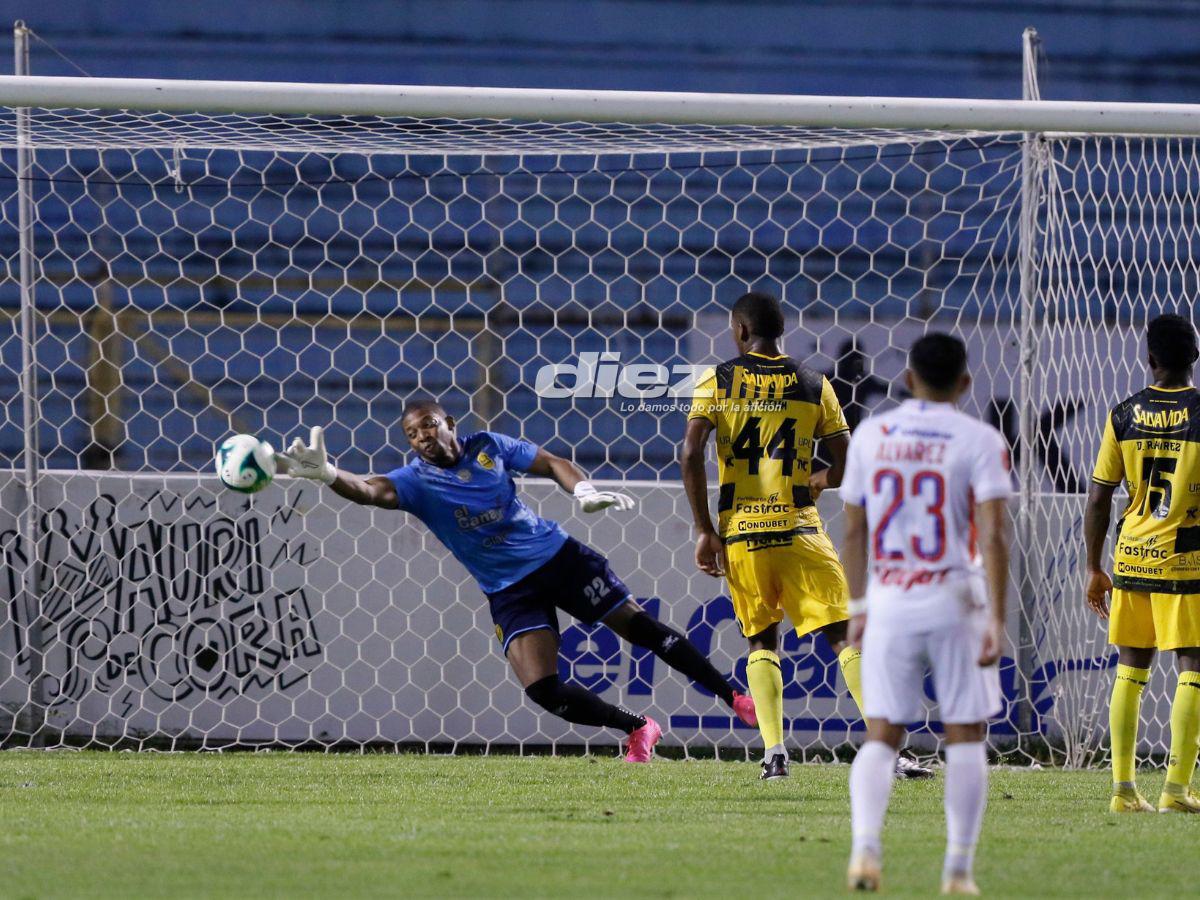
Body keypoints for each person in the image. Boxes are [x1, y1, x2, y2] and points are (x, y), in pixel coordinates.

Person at [274, 402, 757, 763]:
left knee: (643, 630)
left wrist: (583, 490)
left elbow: (551, 463)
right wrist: (331, 474)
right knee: (544, 690)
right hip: (508, 589)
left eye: (428, 425)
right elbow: (369, 490)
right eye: (412, 434)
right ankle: (638, 728)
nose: (422, 437)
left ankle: (735, 697)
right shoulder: (416, 481)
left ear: (449, 424)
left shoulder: (489, 446)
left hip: (559, 559)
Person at [681, 291, 931, 781]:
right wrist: (819, 479)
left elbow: (691, 452)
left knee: (760, 641)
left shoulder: (717, 379)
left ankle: (774, 755)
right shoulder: (815, 383)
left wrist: (705, 530)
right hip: (800, 530)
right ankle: (888, 753)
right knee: (844, 637)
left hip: (744, 534)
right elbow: (846, 462)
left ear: (740, 331)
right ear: (781, 332)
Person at [841, 332, 1011, 895]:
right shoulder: (980, 439)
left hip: (890, 600)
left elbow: (855, 531)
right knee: (965, 735)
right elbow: (993, 532)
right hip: (956, 598)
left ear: (907, 378)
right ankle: (958, 869)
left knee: (882, 732)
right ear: (965, 383)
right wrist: (997, 619)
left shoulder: (872, 435)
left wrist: (858, 606)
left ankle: (865, 849)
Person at [1084, 313, 1200, 814]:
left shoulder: (1123, 414)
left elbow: (1098, 497)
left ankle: (1124, 791)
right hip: (1185, 559)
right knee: (1193, 666)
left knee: (1130, 670)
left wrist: (1094, 568)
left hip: (1131, 556)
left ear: (1149, 358)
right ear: (1195, 356)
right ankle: (1175, 789)